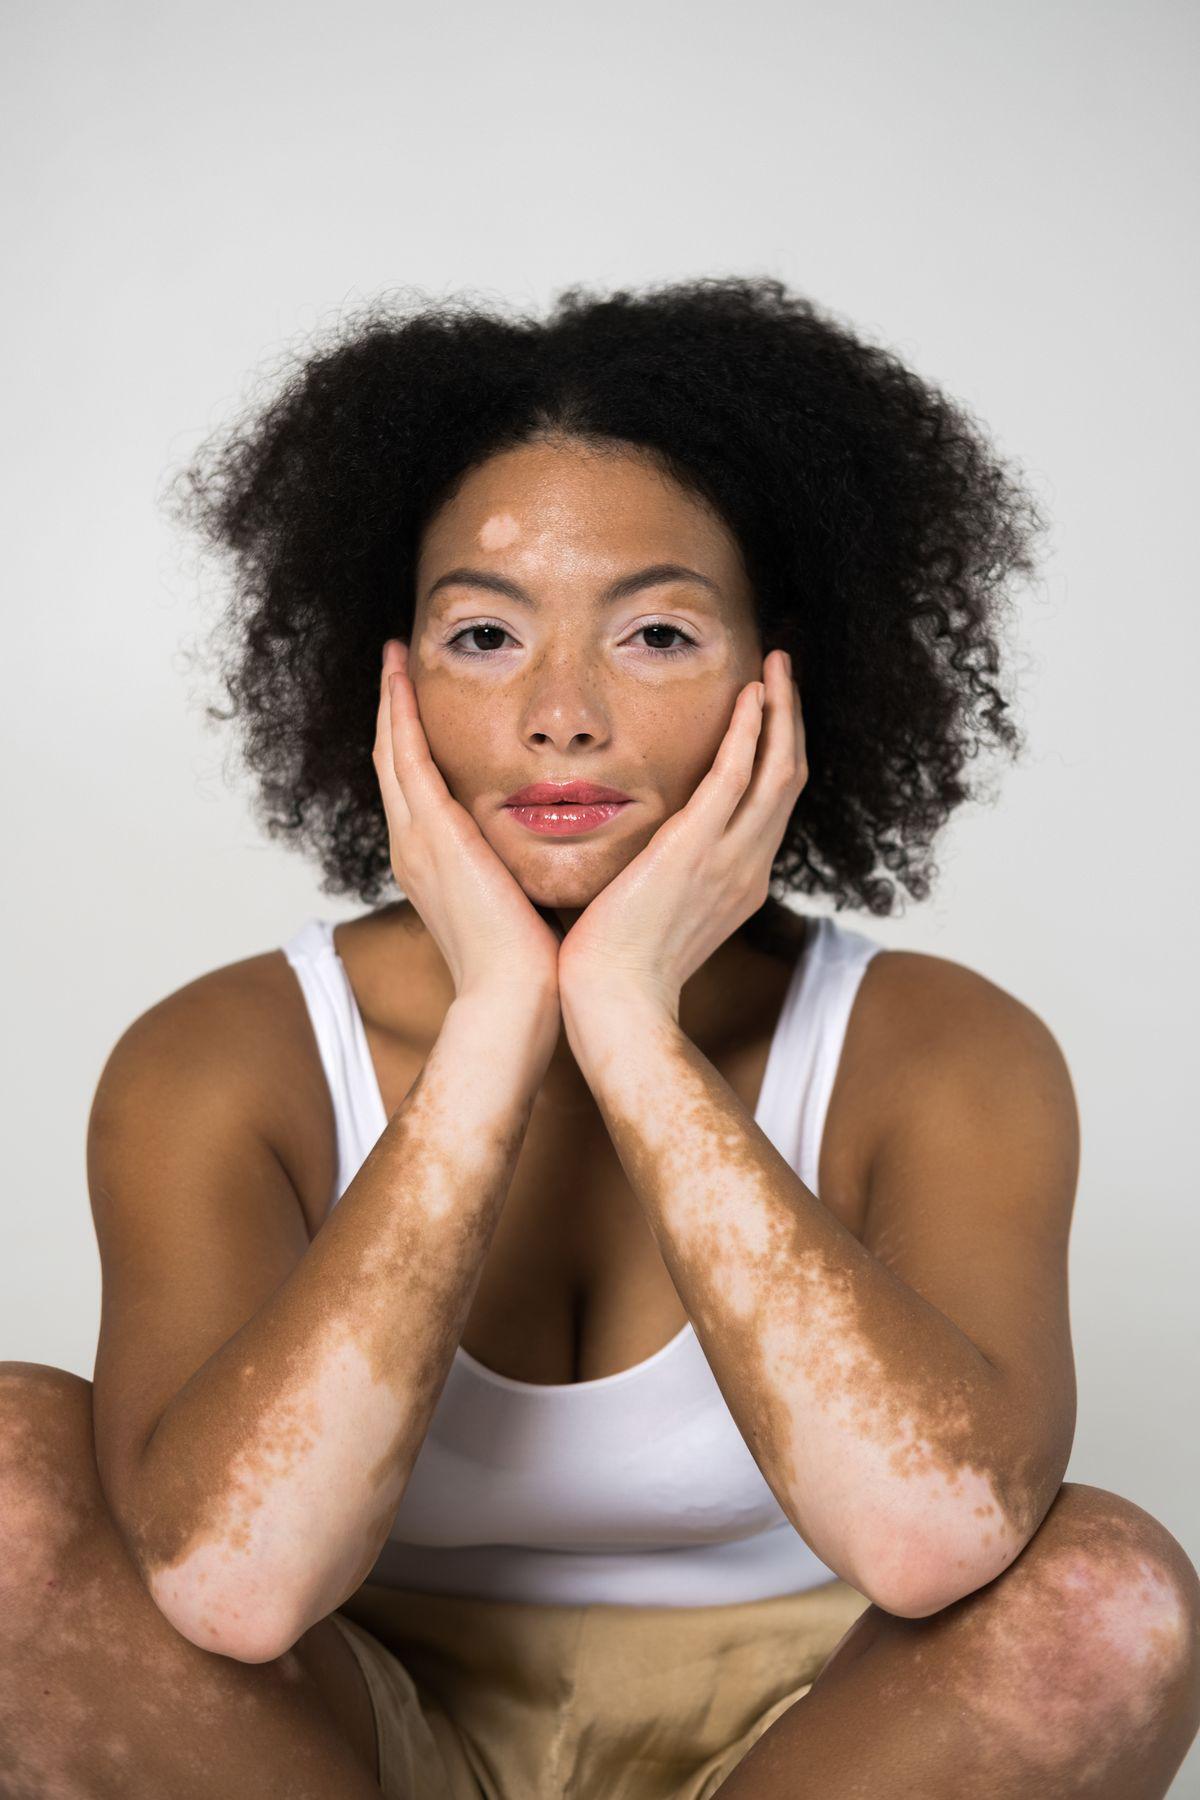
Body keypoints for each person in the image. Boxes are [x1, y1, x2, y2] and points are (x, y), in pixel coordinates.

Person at [3, 277, 1197, 1800]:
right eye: (487, 635)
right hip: (338, 1744)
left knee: (1105, 1591)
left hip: (816, 1741)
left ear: (781, 675)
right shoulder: (223, 1060)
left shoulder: (943, 1053)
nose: (563, 714)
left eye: (653, 633)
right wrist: (501, 1019)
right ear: (393, 683)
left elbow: (935, 1539)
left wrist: (629, 1021)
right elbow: (233, 1591)